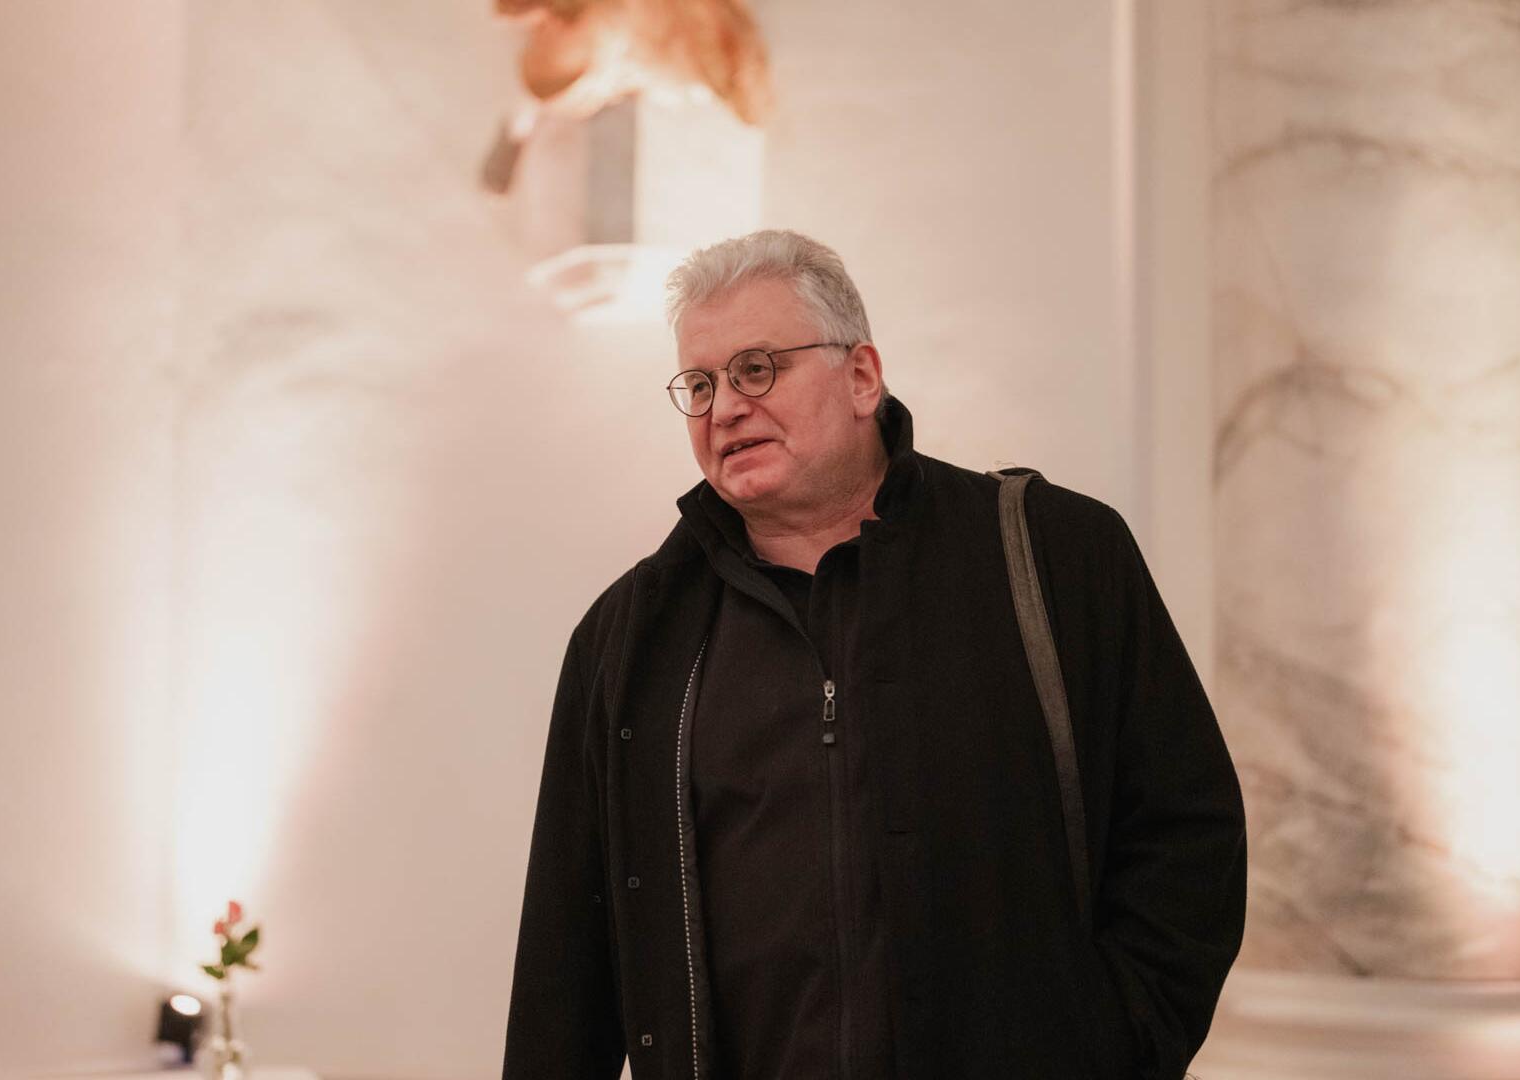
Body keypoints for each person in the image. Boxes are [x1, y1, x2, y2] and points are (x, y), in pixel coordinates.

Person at [502, 229, 1246, 1079]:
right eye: (700, 385)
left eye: (756, 369)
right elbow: (567, 952)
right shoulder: (629, 636)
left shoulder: (1056, 556)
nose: (725, 408)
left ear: (861, 376)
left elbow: (1187, 838)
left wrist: (1111, 1048)